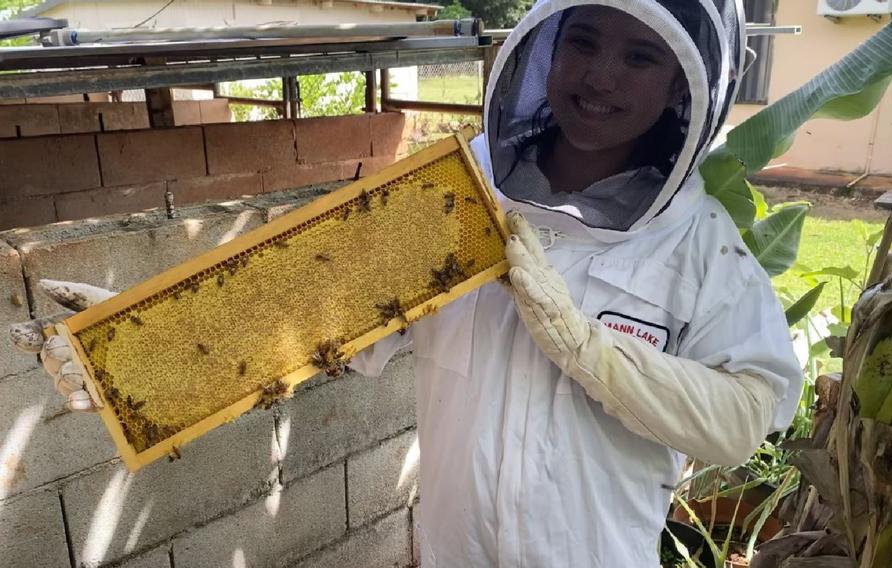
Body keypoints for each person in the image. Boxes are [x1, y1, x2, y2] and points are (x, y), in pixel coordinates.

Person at [11, 1, 802, 565]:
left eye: (640, 56)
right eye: (583, 42)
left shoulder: (703, 249)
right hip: (452, 549)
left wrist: (586, 349)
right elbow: (309, 311)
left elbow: (743, 418)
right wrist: (147, 348)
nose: (600, 76)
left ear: (681, 87)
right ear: (545, 49)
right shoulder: (455, 192)